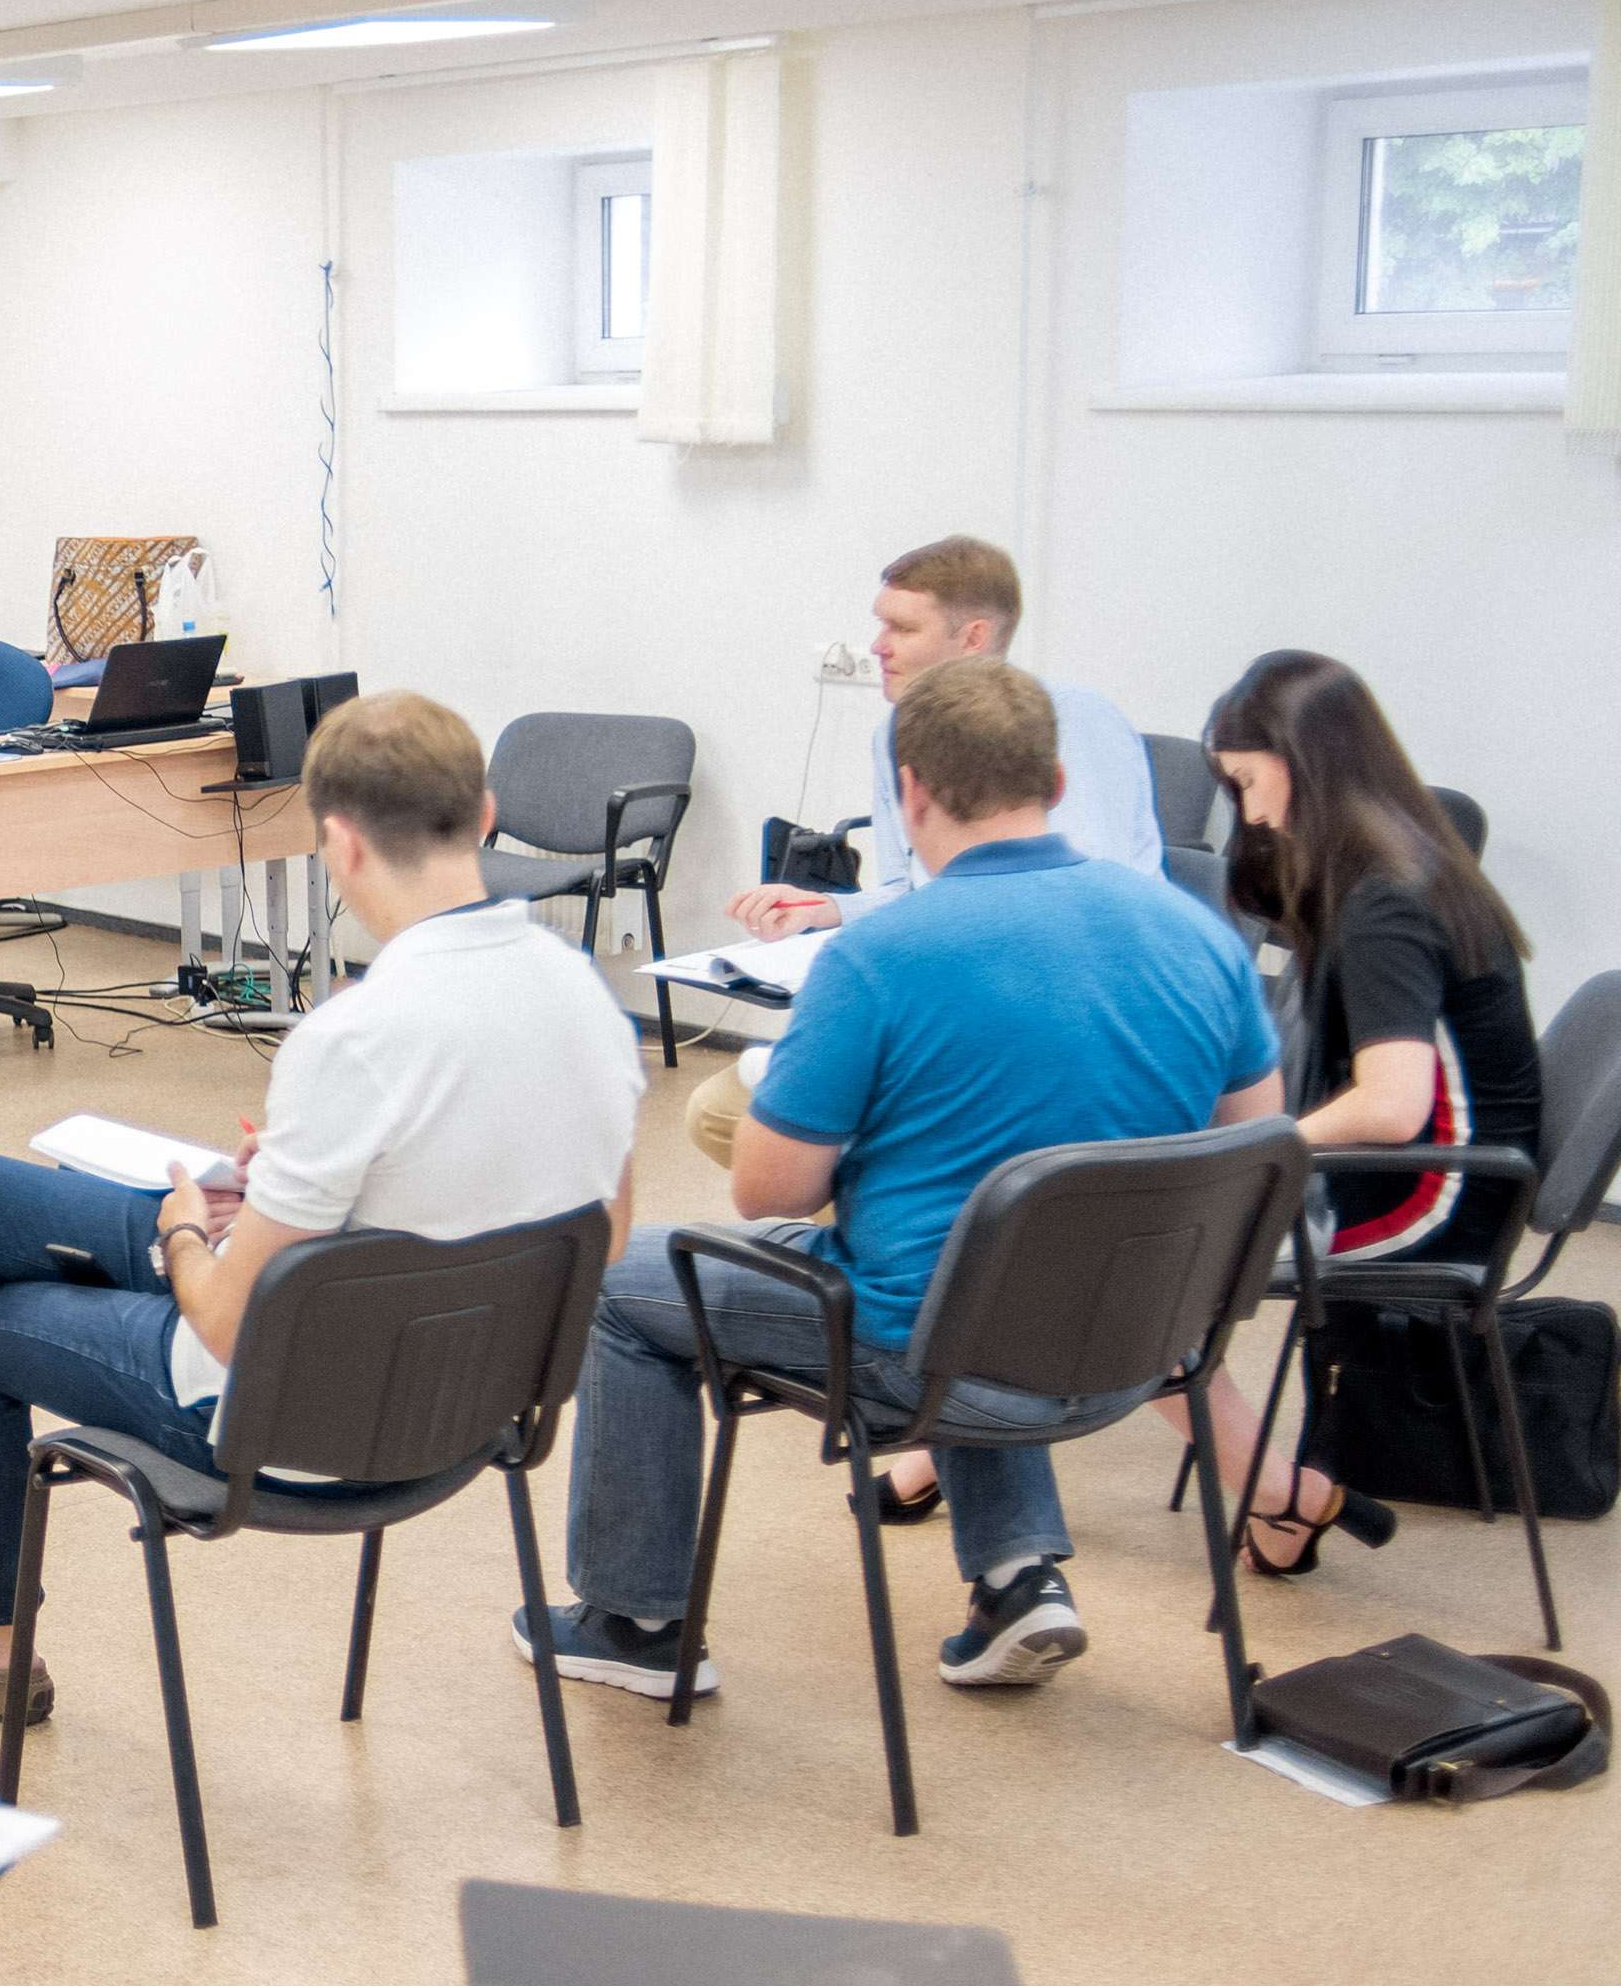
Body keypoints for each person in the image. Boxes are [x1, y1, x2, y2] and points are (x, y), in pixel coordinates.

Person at [0, 693, 644, 1720]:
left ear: (341, 844)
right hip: (473, 1404)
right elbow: (601, 1236)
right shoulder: (585, 993)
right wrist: (297, 1188)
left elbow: (224, 1322)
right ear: (486, 815)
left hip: (286, 1414)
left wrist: (189, 1224)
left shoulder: (355, 1037)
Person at [541, 659, 1284, 1702]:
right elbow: (1255, 1151)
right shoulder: (1200, 937)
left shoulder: (877, 957)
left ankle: (635, 1619)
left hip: (934, 1356)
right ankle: (1017, 1575)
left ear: (911, 792)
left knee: (619, 1282)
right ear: (1057, 783)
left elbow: (767, 1192)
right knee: (979, 1264)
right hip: (1141, 1348)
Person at [701, 538, 1164, 1523]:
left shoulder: (1079, 724)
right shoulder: (898, 735)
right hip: (1117, 1225)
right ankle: (981, 1487)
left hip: (1069, 1051)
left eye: (899, 627)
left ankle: (934, 1394)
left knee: (820, 1158)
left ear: (975, 635)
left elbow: (1061, 902)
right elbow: (920, 887)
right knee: (737, 1117)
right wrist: (832, 910)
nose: (877, 644)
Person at [1171, 649, 1539, 1577]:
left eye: (1248, 784)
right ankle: (1288, 1494)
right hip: (1434, 1174)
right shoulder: (1406, 859)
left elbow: (1392, 1103)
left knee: (1139, 1276)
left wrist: (1250, 1150)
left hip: (1433, 1196)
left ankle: (1283, 1496)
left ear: (1306, 763)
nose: (1253, 814)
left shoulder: (1385, 902)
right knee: (1144, 1252)